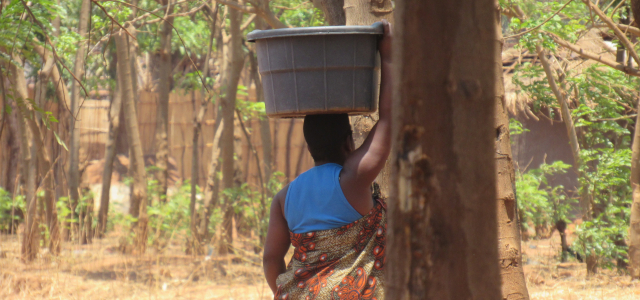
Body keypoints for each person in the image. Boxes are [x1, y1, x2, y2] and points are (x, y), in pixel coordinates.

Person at [263, 20, 393, 299]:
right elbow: (390, 119)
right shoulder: (353, 180)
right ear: (349, 142)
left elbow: (271, 258)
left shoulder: (284, 197)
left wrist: (292, 292)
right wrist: (389, 57)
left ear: (310, 147)